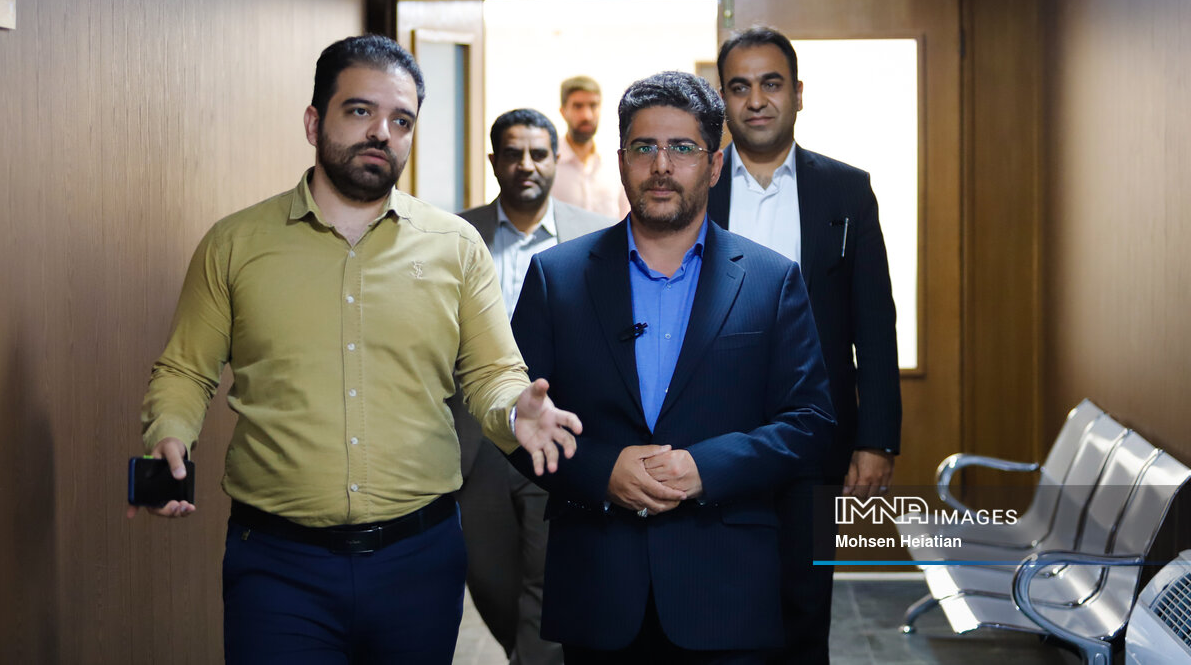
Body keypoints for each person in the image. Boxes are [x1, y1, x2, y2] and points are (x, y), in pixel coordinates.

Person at [128, 34, 582, 665]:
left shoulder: (455, 247)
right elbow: (186, 369)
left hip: (419, 560)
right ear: (314, 122)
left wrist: (514, 409)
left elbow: (492, 373)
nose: (381, 133)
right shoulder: (234, 245)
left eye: (402, 120)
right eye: (360, 111)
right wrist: (170, 433)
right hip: (277, 566)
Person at [508, 71, 835, 663]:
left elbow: (809, 423)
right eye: (644, 148)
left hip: (725, 588)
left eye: (682, 148)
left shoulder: (771, 281)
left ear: (714, 166)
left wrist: (704, 467)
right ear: (622, 162)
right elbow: (518, 420)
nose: (661, 166)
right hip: (600, 588)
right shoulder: (557, 278)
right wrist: (603, 470)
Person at [709, 26, 903, 663]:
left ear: (797, 93)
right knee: (715, 605)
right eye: (740, 87)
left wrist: (876, 439)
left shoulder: (846, 190)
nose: (756, 100)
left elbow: (874, 322)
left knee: (803, 609)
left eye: (771, 84)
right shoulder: (696, 185)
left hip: (814, 435)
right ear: (723, 99)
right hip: (711, 434)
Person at [451, 108, 613, 665]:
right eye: (513, 153)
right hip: (478, 441)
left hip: (561, 435)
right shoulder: (455, 235)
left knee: (549, 579)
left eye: (538, 153)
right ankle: (525, 653)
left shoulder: (596, 234)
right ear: (493, 160)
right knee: (488, 578)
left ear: (555, 160)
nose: (526, 165)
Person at [551, 75, 629, 220]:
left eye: (593, 106)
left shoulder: (616, 163)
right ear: (563, 111)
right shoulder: (550, 164)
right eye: (578, 106)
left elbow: (626, 218)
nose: (586, 115)